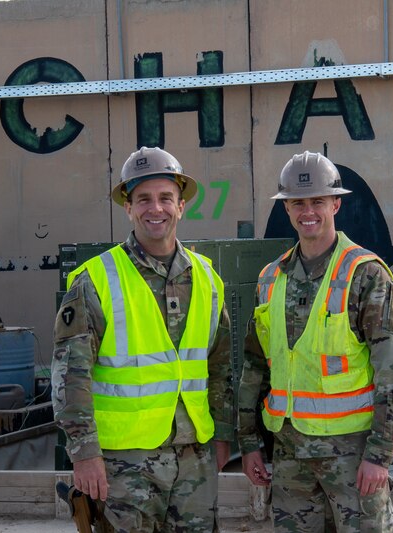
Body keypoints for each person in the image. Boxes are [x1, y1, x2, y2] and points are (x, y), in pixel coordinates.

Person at [51, 146, 233, 533]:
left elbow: (218, 367)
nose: (156, 209)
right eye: (144, 199)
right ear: (128, 207)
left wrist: (222, 435)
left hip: (194, 459)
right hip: (123, 465)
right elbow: (70, 377)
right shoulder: (96, 280)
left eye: (166, 198)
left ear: (181, 205)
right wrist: (84, 455)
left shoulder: (207, 279)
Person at [237, 151, 393, 532]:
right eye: (297, 202)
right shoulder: (271, 278)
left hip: (352, 457)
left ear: (336, 203)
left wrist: (380, 454)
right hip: (290, 458)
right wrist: (249, 441)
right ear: (286, 208)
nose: (308, 211)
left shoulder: (366, 275)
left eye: (318, 201)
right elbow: (254, 366)